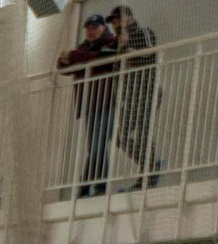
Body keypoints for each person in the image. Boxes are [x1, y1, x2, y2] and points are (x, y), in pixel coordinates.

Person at [58, 12, 121, 195]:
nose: (91, 32)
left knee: (98, 146)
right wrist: (65, 59)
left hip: (108, 100)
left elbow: (103, 60)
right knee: (95, 147)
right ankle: (94, 186)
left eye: (95, 28)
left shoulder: (112, 42)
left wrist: (75, 55)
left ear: (103, 28)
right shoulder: (84, 47)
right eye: (88, 29)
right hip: (90, 103)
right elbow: (64, 68)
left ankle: (90, 187)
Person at [107, 8, 161, 188]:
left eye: (118, 20)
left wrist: (127, 47)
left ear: (130, 17)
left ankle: (149, 173)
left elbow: (148, 52)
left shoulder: (143, 32)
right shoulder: (120, 44)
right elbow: (116, 73)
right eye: (114, 22)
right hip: (131, 95)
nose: (116, 24)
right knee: (119, 136)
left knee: (143, 134)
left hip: (148, 90)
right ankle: (149, 167)